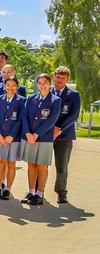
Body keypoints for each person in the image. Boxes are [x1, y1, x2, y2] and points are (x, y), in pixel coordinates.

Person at [19, 74, 62, 206]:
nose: (42, 85)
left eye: (45, 83)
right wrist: (27, 133)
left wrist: (36, 134)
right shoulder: (31, 98)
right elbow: (24, 116)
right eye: (40, 83)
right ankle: (31, 191)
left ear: (50, 84)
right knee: (31, 164)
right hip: (29, 137)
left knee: (42, 166)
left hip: (44, 138)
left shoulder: (55, 100)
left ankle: (40, 194)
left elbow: (51, 120)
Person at [0, 64, 27, 192]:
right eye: (8, 85)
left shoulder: (22, 99)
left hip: (12, 136)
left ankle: (6, 186)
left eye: (13, 85)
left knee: (10, 162)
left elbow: (20, 119)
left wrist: (12, 135)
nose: (10, 87)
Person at [51, 66, 81, 204]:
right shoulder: (46, 91)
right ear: (54, 77)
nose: (60, 80)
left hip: (65, 135)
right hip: (46, 134)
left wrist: (59, 129)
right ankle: (38, 191)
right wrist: (50, 129)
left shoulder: (74, 95)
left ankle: (61, 192)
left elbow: (74, 115)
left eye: (63, 78)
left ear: (68, 79)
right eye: (58, 77)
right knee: (40, 164)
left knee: (62, 166)